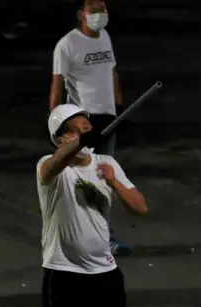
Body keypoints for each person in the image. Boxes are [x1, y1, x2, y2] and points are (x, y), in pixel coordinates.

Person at [37, 104, 148, 307]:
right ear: (58, 139)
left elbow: (141, 208)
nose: (82, 135)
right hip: (62, 274)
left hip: (104, 273)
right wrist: (82, 142)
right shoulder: (50, 167)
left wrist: (114, 181)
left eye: (86, 129)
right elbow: (52, 166)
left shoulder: (107, 163)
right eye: (73, 131)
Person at [49, 0, 130, 255]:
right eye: (94, 10)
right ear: (80, 14)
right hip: (83, 122)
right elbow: (57, 86)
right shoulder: (67, 45)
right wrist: (57, 125)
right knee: (85, 180)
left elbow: (112, 73)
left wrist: (120, 107)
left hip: (109, 118)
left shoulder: (104, 37)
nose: (100, 15)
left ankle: (102, 234)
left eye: (103, 9)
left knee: (105, 178)